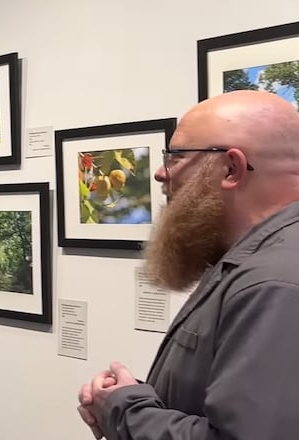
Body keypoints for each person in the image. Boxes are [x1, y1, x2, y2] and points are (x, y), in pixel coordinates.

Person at [77, 89, 299, 439]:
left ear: (231, 168)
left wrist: (123, 410)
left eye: (176, 157)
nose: (161, 174)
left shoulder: (274, 282)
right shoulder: (254, 260)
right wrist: (128, 397)